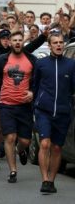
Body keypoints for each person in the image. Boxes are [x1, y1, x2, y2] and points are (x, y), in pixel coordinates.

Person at [0, 31, 36, 183]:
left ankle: (20, 150)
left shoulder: (31, 59)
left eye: (20, 40)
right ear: (9, 42)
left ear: (23, 42)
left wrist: (32, 92)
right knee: (10, 137)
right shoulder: (3, 59)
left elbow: (38, 80)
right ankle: (13, 171)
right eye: (14, 40)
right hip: (6, 105)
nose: (17, 43)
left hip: (24, 106)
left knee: (25, 141)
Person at [33, 32, 75, 193]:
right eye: (55, 43)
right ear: (49, 46)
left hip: (63, 112)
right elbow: (35, 85)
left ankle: (51, 180)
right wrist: (35, 103)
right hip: (44, 110)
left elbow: (72, 88)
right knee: (44, 143)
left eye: (60, 43)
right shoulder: (41, 63)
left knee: (57, 148)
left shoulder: (71, 65)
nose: (58, 45)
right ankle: (44, 180)